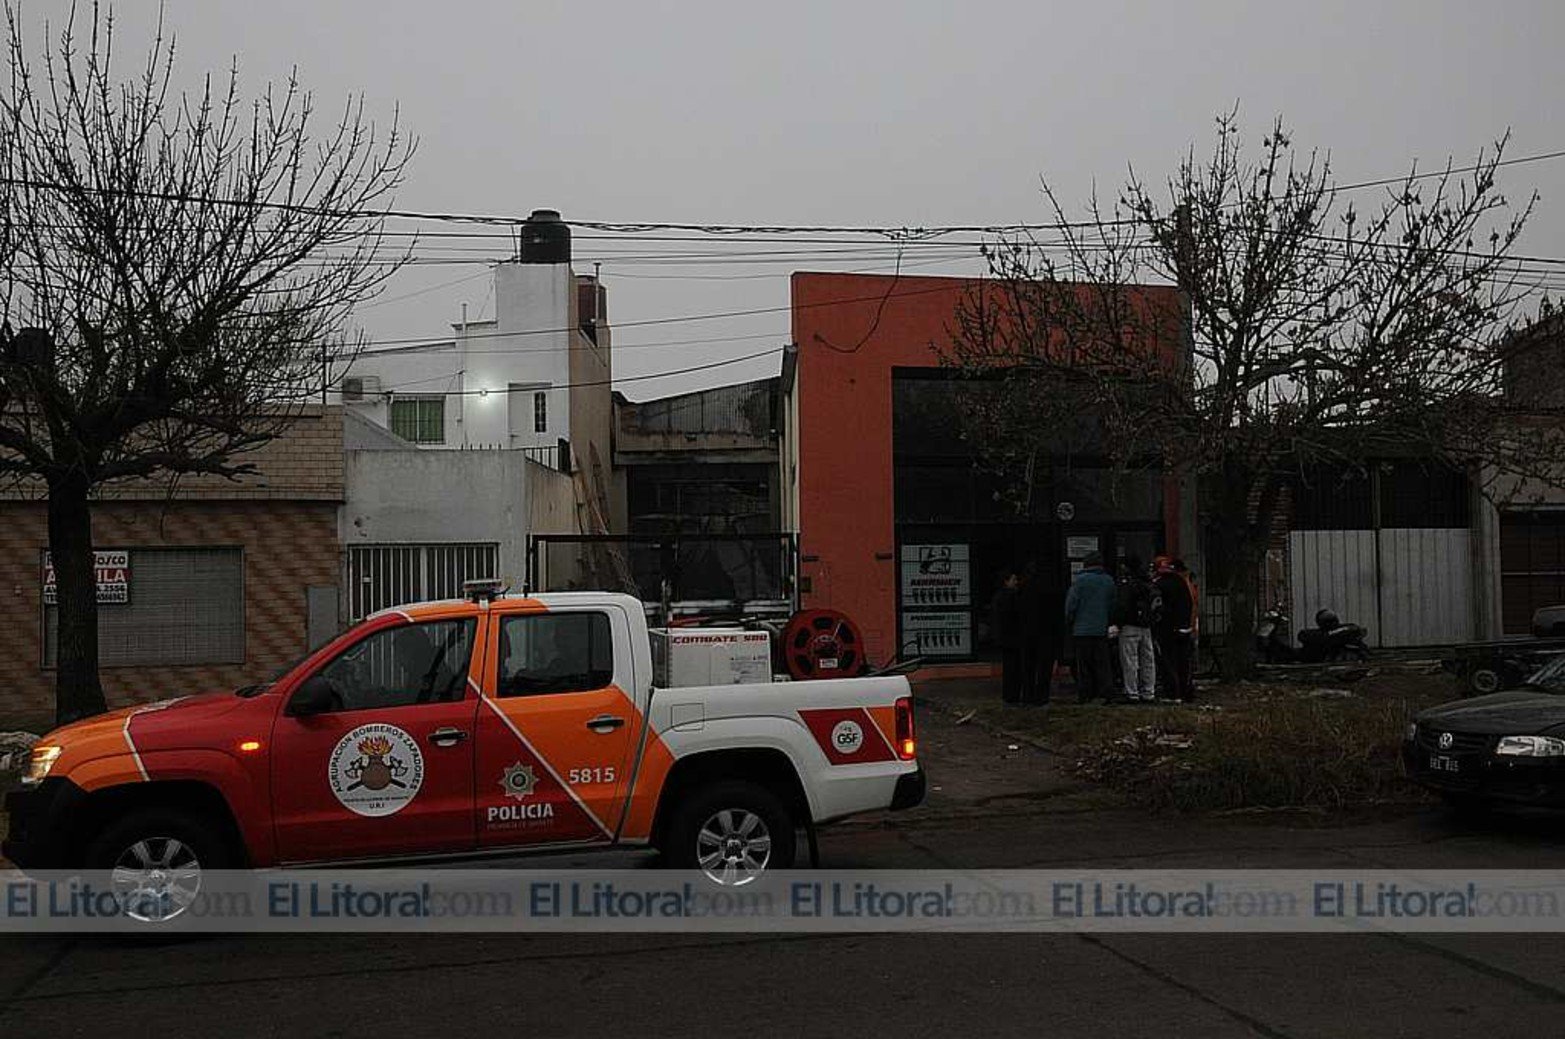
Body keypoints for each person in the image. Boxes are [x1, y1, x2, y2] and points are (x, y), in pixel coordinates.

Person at [1064, 552, 1116, 703]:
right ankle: (1106, 692)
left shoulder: (1080, 581)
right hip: (1101, 629)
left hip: (1082, 629)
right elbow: (1112, 605)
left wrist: (1070, 620)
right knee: (1102, 664)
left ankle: (1086, 693)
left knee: (1084, 664)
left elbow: (1071, 605)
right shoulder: (1108, 581)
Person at [1112, 554, 1159, 703]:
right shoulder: (1148, 583)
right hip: (1146, 626)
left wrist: (1117, 623)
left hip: (1130, 625)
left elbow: (1123, 605)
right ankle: (1149, 691)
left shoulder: (1127, 584)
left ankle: (1132, 692)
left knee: (1130, 660)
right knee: (1148, 660)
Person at [1019, 560, 1064, 705]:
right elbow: (1057, 613)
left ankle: (1028, 695)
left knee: (1028, 666)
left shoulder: (1024, 588)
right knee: (1044, 668)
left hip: (1028, 632)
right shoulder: (1051, 588)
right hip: (1047, 633)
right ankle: (1042, 697)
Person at [1153, 556, 1195, 703]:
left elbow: (1158, 607)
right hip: (1184, 627)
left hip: (1168, 629)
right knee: (1183, 662)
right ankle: (1186, 691)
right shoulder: (1181, 582)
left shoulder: (1159, 585)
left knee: (1168, 661)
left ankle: (1172, 693)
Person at [991, 568, 1023, 705]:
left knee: (1009, 667)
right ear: (1006, 581)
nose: (1016, 582)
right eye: (1014, 579)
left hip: (1005, 637)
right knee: (1013, 667)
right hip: (1012, 637)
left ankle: (1009, 695)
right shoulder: (1011, 597)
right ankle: (1012, 695)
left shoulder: (999, 597)